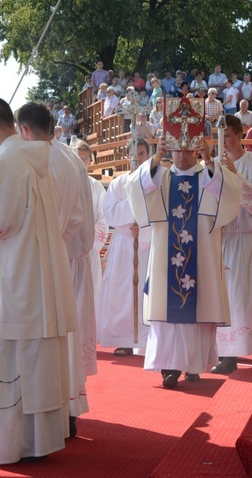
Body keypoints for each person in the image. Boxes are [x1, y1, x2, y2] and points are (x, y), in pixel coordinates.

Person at [0, 97, 76, 465]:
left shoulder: (6, 163)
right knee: (33, 358)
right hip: (36, 271)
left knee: (9, 354)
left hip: (13, 276)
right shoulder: (39, 161)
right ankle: (38, 441)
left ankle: (9, 444)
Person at [127, 110, 242, 389]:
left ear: (196, 151)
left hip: (200, 258)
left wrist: (209, 160)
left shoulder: (209, 177)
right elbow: (136, 187)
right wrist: (155, 157)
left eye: (187, 150)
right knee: (168, 315)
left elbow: (231, 192)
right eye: (176, 151)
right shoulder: (161, 177)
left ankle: (193, 365)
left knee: (197, 311)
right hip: (166, 262)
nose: (181, 156)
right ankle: (169, 367)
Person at [15, 101, 96, 437]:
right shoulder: (71, 160)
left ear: (24, 130)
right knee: (65, 336)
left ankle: (39, 411)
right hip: (67, 261)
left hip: (35, 264)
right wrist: (63, 248)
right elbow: (82, 222)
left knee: (40, 338)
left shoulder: (25, 162)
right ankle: (69, 409)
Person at [212, 114, 252, 375]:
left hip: (244, 236)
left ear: (239, 135)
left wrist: (236, 177)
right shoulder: (215, 164)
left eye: (227, 136)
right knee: (227, 296)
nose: (223, 142)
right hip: (222, 238)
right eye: (220, 137)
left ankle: (250, 347)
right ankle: (234, 350)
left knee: (243, 294)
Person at [97, 139, 152, 355]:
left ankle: (147, 338)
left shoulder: (155, 182)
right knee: (123, 291)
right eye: (134, 153)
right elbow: (110, 211)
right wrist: (131, 224)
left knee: (145, 291)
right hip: (124, 243)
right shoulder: (118, 183)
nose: (137, 158)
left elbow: (161, 211)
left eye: (141, 153)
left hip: (147, 244)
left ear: (148, 155)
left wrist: (145, 227)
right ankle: (124, 339)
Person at [74, 141, 109, 312]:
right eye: (78, 158)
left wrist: (89, 242)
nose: (82, 163)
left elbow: (104, 218)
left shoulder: (96, 187)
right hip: (68, 249)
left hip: (89, 250)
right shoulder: (62, 182)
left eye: (86, 159)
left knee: (90, 296)